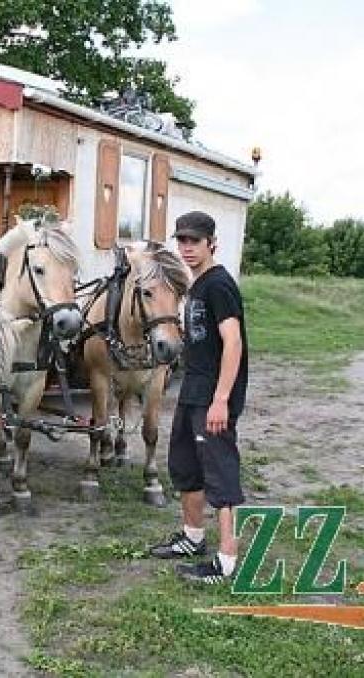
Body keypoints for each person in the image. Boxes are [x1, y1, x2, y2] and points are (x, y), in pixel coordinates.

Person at [150, 210, 249, 584]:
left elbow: (233, 342)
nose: (187, 247)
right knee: (186, 467)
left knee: (220, 476)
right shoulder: (196, 285)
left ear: (212, 244)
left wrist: (222, 399)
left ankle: (226, 561)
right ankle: (193, 539)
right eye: (182, 241)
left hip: (213, 396)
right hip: (192, 390)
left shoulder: (219, 285)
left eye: (194, 241)